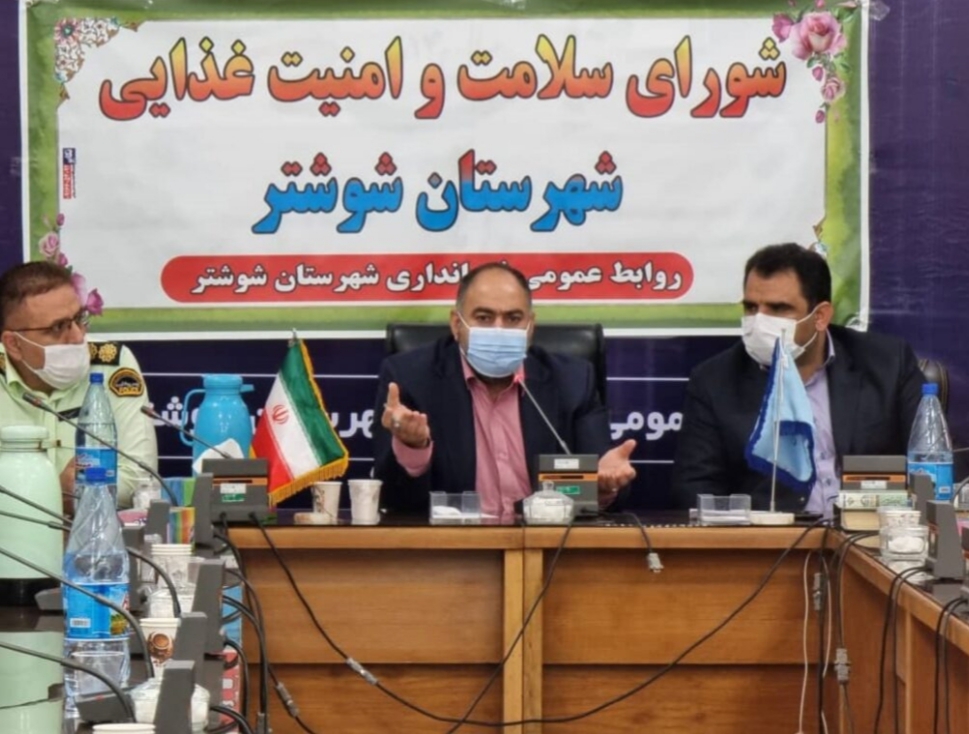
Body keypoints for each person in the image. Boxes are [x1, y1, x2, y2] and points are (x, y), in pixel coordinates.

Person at [672, 243, 925, 515]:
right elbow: (695, 490)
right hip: (770, 539)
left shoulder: (888, 364)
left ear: (820, 316)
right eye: (751, 307)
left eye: (778, 308)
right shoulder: (714, 381)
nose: (759, 321)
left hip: (872, 532)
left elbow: (929, 466)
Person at [374, 262, 636, 519]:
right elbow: (395, 499)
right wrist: (414, 447)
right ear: (456, 324)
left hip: (547, 543)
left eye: (513, 318)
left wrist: (604, 485)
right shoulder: (411, 378)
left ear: (530, 326)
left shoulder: (573, 381)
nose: (498, 329)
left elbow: (601, 485)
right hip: (451, 544)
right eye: (484, 318)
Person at [0, 261, 158, 508]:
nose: (77, 336)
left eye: (79, 318)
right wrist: (57, 494)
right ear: (14, 344)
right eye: (58, 327)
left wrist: (74, 493)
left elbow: (140, 478)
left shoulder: (111, 364)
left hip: (98, 529)